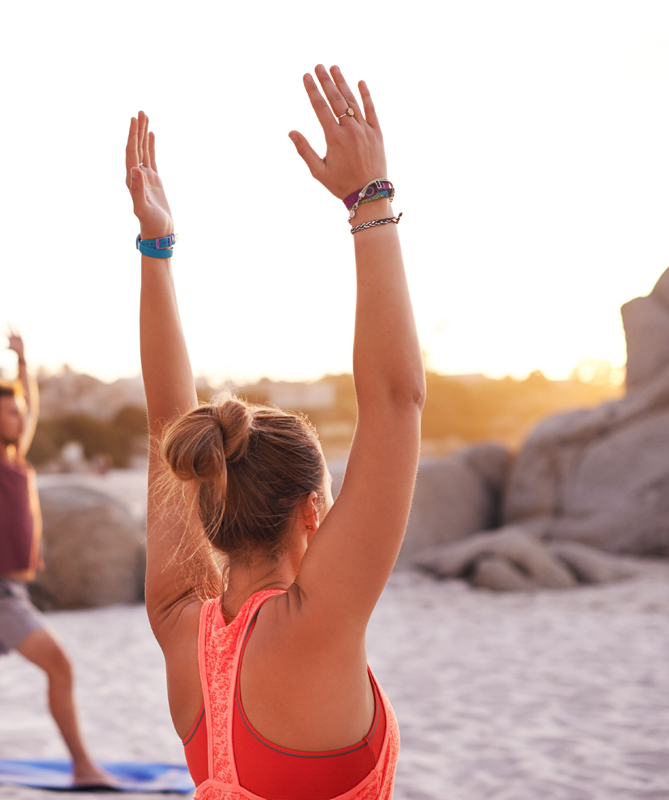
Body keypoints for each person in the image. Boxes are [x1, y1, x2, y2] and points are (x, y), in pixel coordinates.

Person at [127, 64, 420, 800]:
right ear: (313, 513)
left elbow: (169, 419)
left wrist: (156, 249)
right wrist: (369, 199)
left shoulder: (180, 628)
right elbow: (393, 402)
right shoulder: (316, 627)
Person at [0, 321, 111, 787]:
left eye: (19, 412)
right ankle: (83, 768)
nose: (19, 418)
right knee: (61, 665)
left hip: (9, 590)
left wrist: (23, 362)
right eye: (10, 413)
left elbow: (29, 409)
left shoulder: (16, 460)